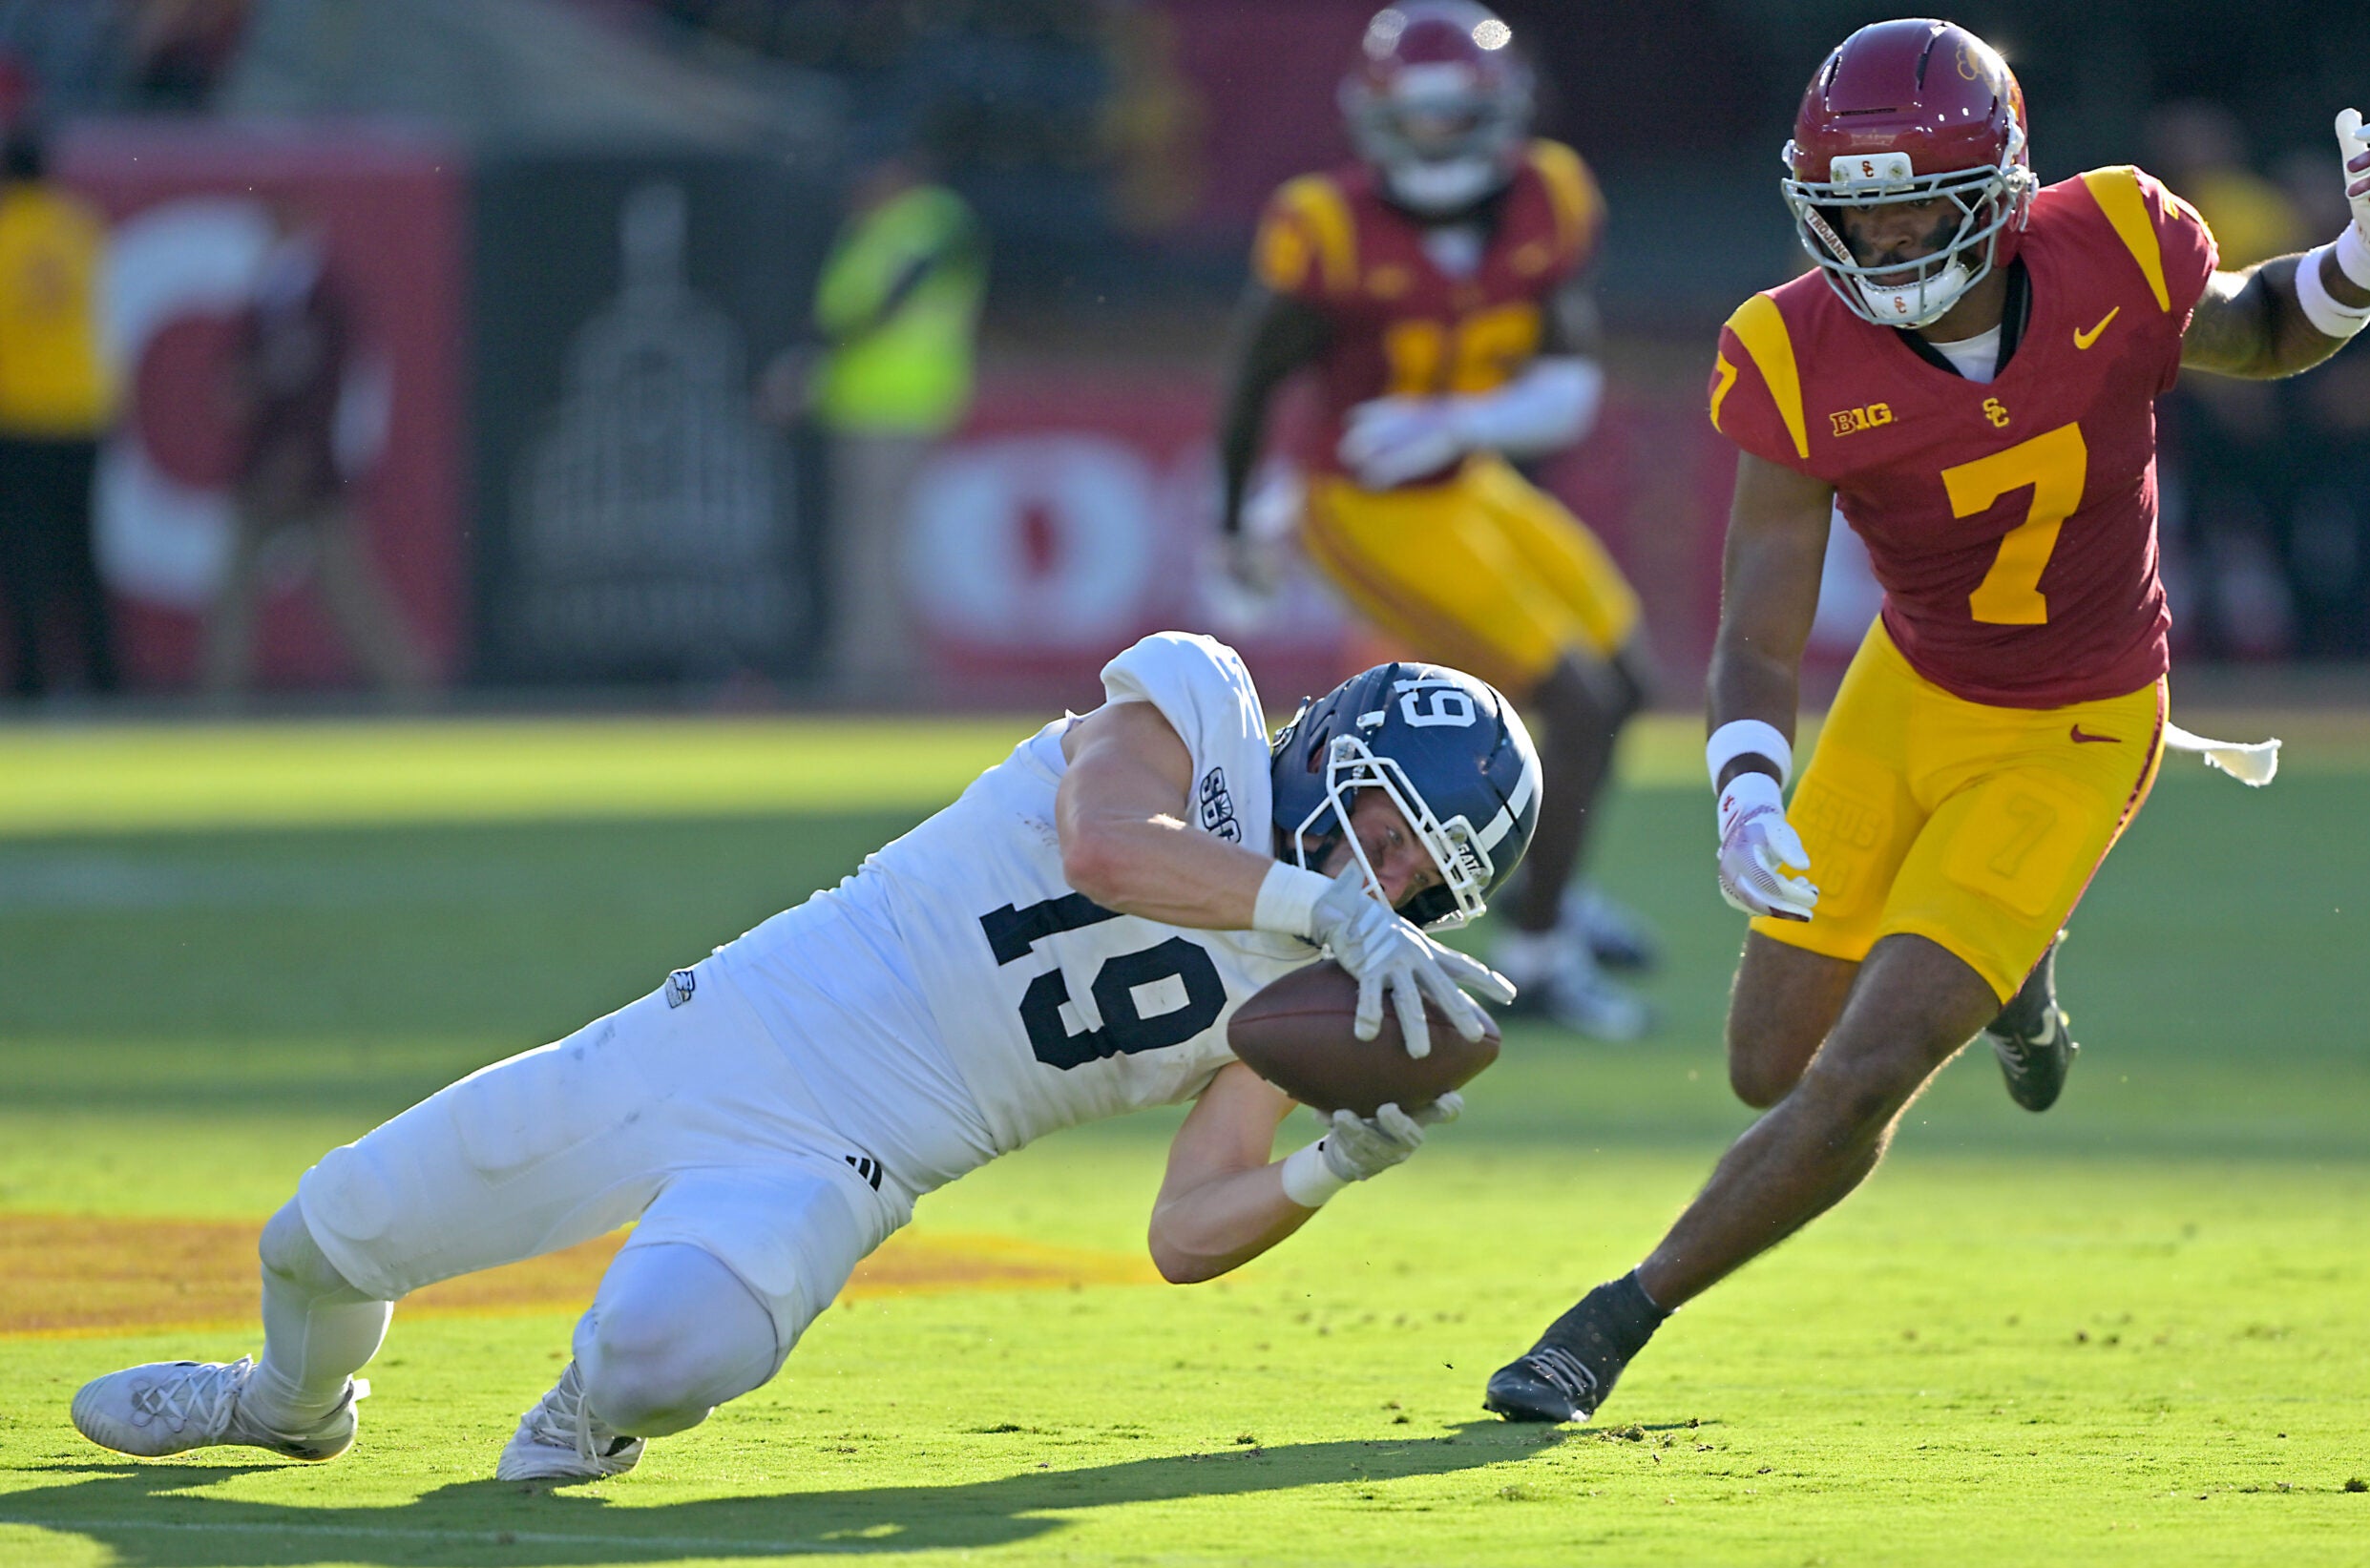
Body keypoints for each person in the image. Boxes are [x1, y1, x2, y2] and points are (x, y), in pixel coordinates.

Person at [1483, 18, 2370, 1424]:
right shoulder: (1791, 348)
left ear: (1997, 187)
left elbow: (2255, 326)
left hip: (2082, 719)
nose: (1885, 243)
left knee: (1863, 1073)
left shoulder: (2114, 237)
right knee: (1765, 1064)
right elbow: (1756, 623)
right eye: (1854, 215)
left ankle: (1614, 1317)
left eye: (1917, 203)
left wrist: (2366, 258)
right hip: (1909, 690)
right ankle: (2020, 971)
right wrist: (1746, 784)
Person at [71, 632, 1533, 1480]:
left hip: (859, 1156)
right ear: (1333, 743)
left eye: (1420, 876)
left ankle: (590, 1408)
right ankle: (282, 1401)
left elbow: (1180, 1228)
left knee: (659, 1356)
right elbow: (1107, 845)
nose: (1389, 875)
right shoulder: (1197, 703)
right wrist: (1323, 898)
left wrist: (1331, 1162)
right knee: (325, 1237)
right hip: (731, 1027)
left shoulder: (1307, 991)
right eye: (1388, 821)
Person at [1214, 0, 1653, 1042]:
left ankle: (1550, 886)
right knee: (1581, 703)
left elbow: (1568, 375)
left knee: (1626, 684)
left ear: (1499, 111)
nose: (1436, 138)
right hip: (1362, 503)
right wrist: (1231, 523)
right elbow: (1253, 380)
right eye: (1416, 117)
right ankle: (1539, 956)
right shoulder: (1324, 227)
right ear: (1374, 117)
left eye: (1457, 115)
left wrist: (1467, 416)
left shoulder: (1547, 195)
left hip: (1468, 479)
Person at [762, 155, 985, 699]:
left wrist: (812, 362)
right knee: (872, 540)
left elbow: (883, 305)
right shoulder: (883, 228)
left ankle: (874, 669)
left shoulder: (931, 220)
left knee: (876, 542)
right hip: (866, 404)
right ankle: (876, 660)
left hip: (897, 404)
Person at [200, 197, 430, 700]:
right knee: (242, 590)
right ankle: (219, 705)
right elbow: (238, 376)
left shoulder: (325, 294)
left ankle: (410, 693)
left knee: (343, 591)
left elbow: (330, 387)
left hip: (309, 467)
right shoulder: (270, 293)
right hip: (266, 462)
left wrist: (303, 452)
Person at [0, 126, 117, 698]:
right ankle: (106, 677)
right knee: (85, 554)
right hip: (83, 410)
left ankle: (32, 682)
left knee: (23, 557)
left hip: (20, 415)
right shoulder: (80, 226)